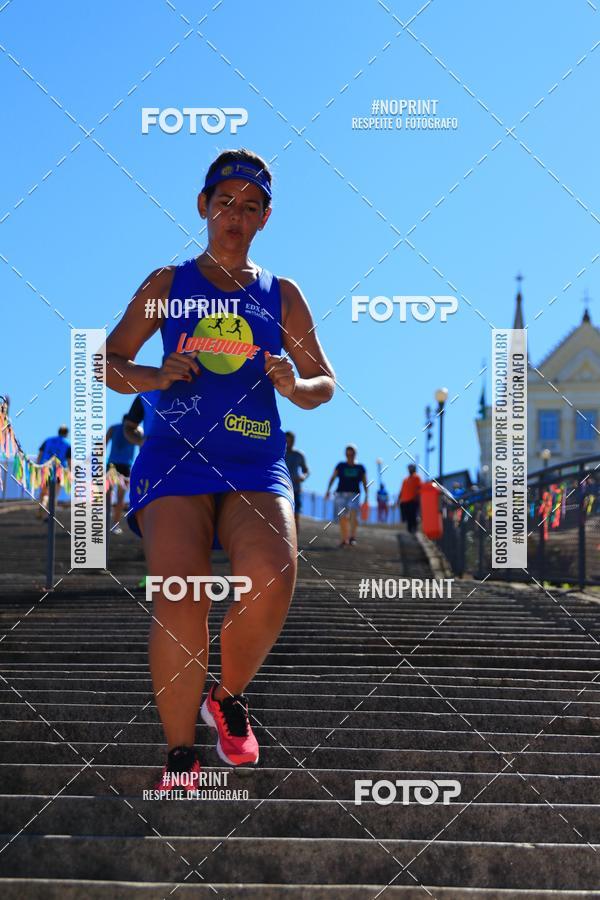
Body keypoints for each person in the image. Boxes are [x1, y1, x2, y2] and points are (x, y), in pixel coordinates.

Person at [104, 148, 335, 790]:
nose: (236, 215)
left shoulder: (281, 296)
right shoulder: (166, 285)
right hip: (174, 461)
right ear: (204, 207)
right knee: (183, 594)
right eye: (225, 202)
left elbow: (326, 383)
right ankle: (182, 757)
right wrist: (154, 373)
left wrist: (296, 385)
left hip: (255, 461)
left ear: (265, 219)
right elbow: (108, 360)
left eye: (251, 206)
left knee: (275, 572)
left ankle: (226, 697)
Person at [325, 445, 368, 546]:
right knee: (343, 516)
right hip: (340, 493)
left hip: (354, 494)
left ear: (355, 454)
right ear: (345, 454)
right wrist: (328, 490)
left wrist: (367, 495)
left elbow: (364, 481)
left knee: (353, 513)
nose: (350, 455)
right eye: (348, 453)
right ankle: (345, 538)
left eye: (352, 453)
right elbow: (333, 477)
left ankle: (352, 536)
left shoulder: (360, 467)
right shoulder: (340, 465)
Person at [106, 415, 138, 534]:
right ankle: (114, 525)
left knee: (107, 495)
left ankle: (106, 523)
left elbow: (103, 443)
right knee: (120, 498)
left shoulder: (113, 428)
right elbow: (142, 446)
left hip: (112, 465)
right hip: (125, 466)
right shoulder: (136, 430)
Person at [36, 425, 71, 518]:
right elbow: (69, 460)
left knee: (44, 492)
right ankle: (50, 516)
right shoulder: (67, 443)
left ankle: (42, 507)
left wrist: (38, 466)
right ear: (67, 433)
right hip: (59, 470)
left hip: (45, 468)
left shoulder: (48, 440)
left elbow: (40, 454)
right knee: (54, 494)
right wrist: (71, 472)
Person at [284, 431, 309, 531]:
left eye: (291, 440)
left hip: (296, 489)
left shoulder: (299, 455)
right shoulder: (279, 453)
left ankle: (295, 539)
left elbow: (306, 470)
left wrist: (303, 477)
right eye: (287, 440)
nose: (289, 442)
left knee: (296, 515)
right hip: (282, 488)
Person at [398, 463, 422, 534]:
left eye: (411, 468)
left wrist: (417, 498)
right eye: (409, 468)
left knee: (413, 515)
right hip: (405, 501)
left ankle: (414, 529)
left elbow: (419, 487)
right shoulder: (405, 479)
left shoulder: (417, 477)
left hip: (413, 500)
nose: (410, 470)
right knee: (408, 516)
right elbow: (401, 490)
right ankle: (409, 530)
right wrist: (398, 499)